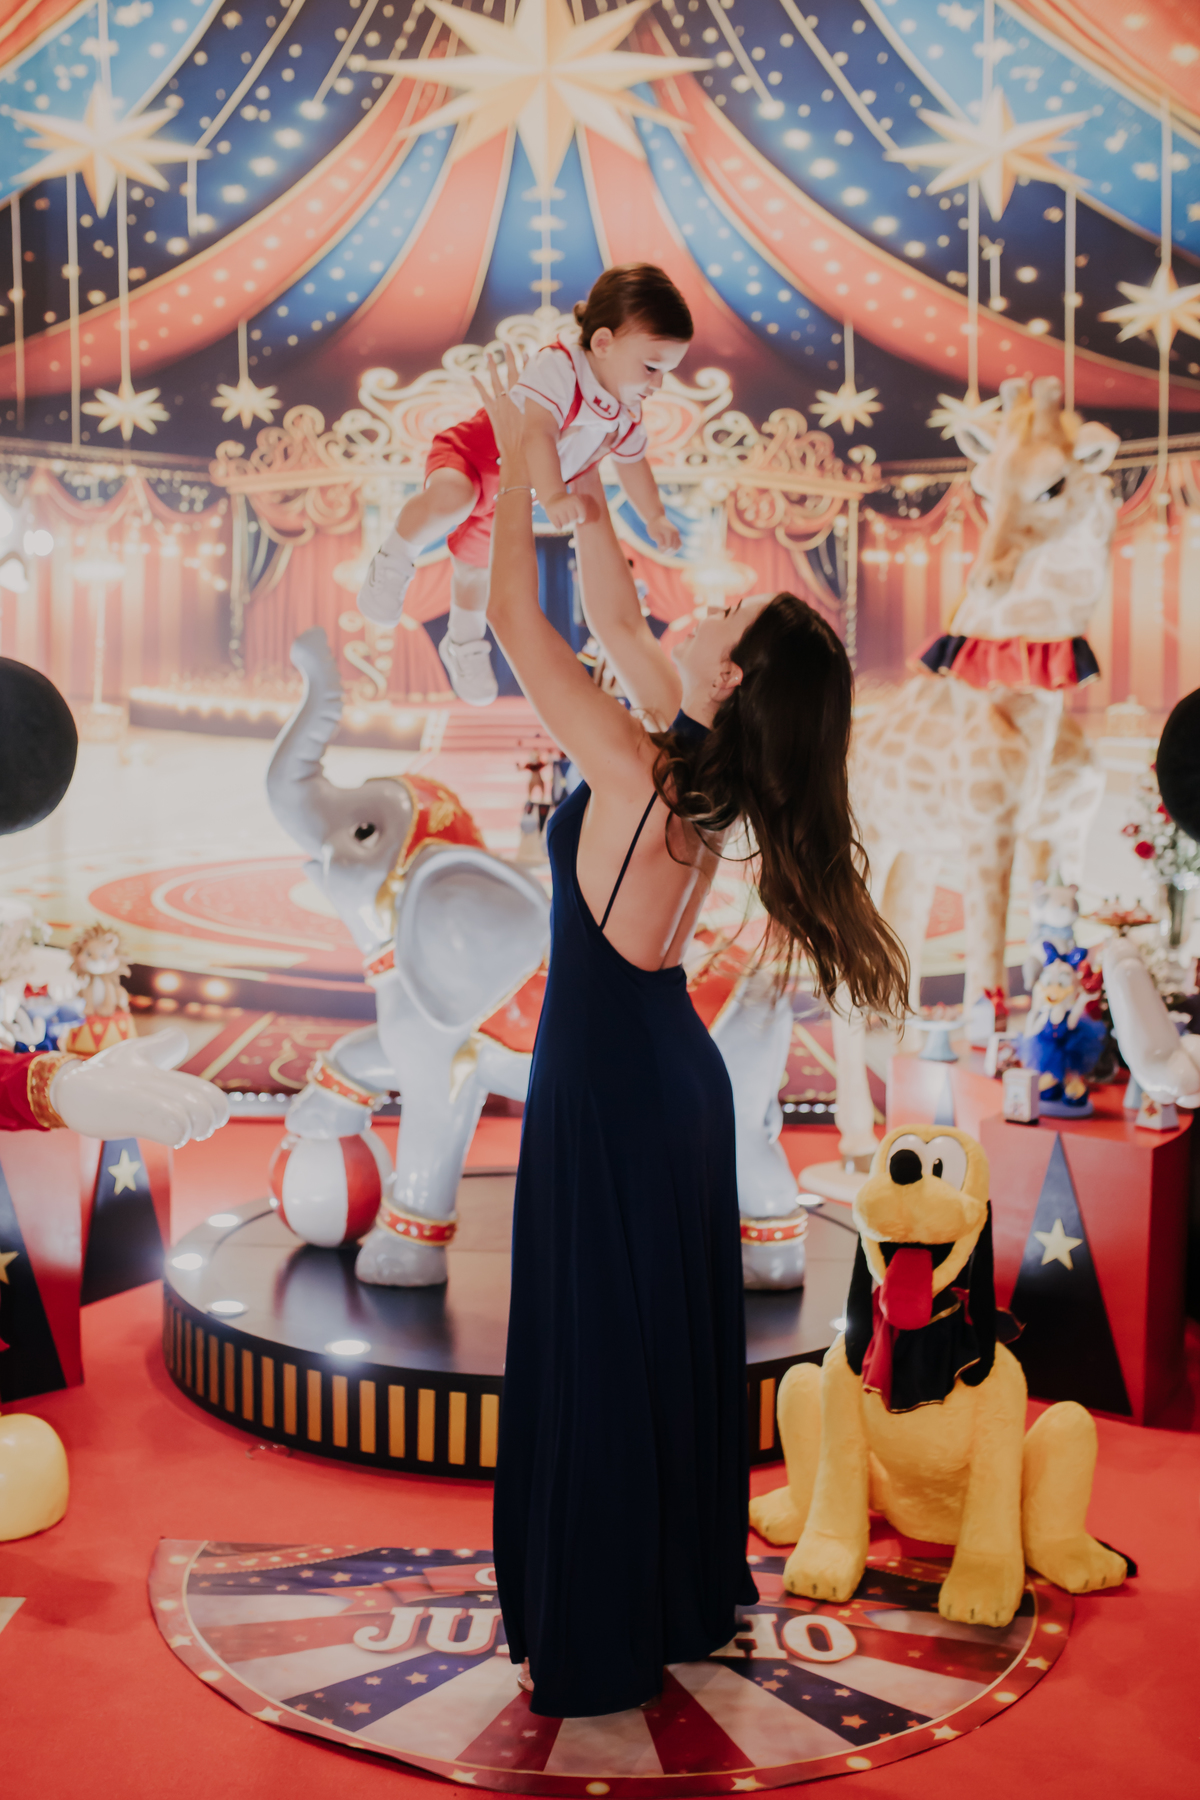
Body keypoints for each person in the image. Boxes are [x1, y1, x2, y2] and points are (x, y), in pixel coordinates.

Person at [474, 350, 909, 1720]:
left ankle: (599, 1631)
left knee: (600, 1352)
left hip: (608, 1083)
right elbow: (614, 613)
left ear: (726, 670)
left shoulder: (641, 762)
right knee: (651, 1345)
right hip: (668, 1075)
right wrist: (582, 491)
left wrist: (509, 461)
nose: (709, 600)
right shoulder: (696, 759)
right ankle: (667, 1596)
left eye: (728, 611)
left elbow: (515, 619)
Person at [355, 264, 693, 706]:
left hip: (510, 493)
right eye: (651, 367)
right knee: (454, 498)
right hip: (474, 455)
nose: (658, 383)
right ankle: (393, 559)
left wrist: (655, 516)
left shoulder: (624, 412)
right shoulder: (562, 366)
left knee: (476, 570)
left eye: (666, 371)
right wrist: (553, 495)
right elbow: (537, 434)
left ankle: (463, 642)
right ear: (603, 342)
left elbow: (633, 463)